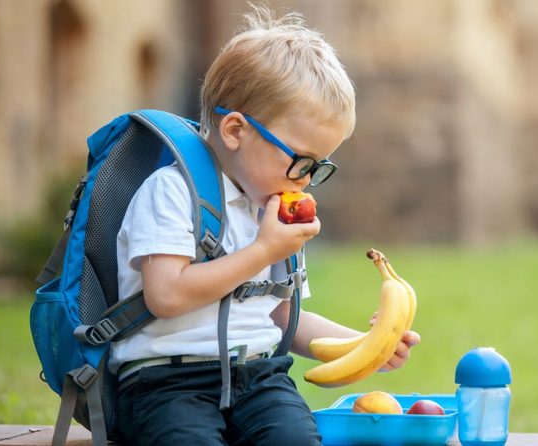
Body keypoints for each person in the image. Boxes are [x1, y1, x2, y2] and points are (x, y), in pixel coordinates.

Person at [110, 5, 420, 445]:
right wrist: (262, 251)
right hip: (167, 380)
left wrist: (368, 343)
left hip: (258, 377)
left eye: (319, 164)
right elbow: (166, 295)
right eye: (300, 160)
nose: (306, 178)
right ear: (236, 130)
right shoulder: (172, 191)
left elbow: (281, 315)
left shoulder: (273, 210)